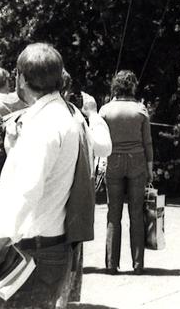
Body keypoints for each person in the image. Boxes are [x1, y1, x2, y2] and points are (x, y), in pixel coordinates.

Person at [0, 43, 81, 308]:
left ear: (21, 78)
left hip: (29, 253)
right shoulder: (63, 115)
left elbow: (26, 193)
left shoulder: (42, 125)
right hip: (48, 248)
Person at [57, 72, 112, 307]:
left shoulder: (26, 114)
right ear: (67, 90)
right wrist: (94, 113)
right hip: (71, 204)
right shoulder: (74, 115)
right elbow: (103, 147)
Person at [99, 70, 153, 275]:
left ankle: (111, 265)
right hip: (137, 161)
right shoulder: (140, 110)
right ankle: (138, 264)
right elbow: (148, 142)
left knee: (114, 215)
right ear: (132, 86)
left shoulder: (105, 110)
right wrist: (150, 168)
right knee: (136, 214)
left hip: (113, 161)